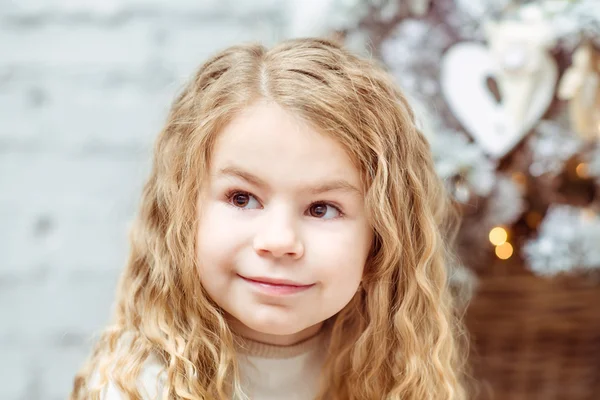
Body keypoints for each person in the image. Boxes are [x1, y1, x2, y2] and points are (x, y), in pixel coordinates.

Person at [70, 37, 470, 400]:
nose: (278, 240)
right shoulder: (142, 386)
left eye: (321, 208)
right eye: (242, 198)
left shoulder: (391, 370)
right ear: (184, 213)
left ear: (381, 240)